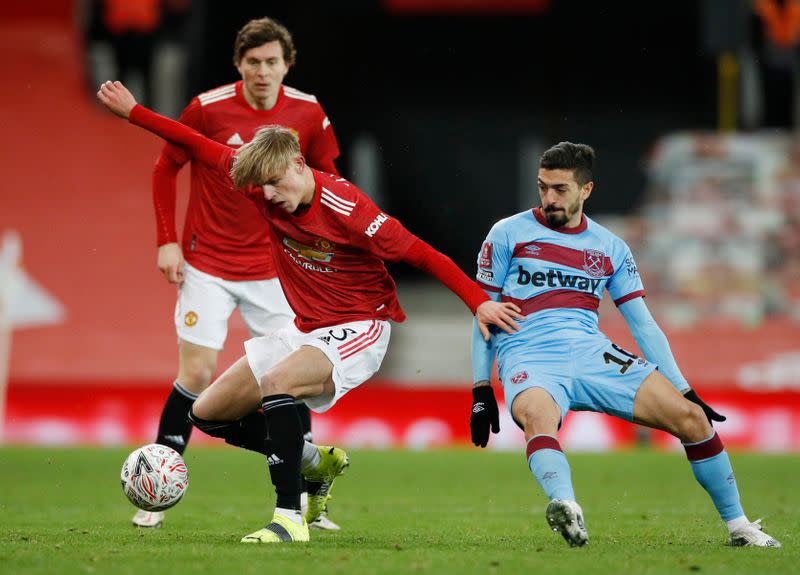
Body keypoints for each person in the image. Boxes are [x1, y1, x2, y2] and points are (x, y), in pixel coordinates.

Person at [97, 79, 524, 543]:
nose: (270, 195)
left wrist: (478, 302)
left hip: (360, 325)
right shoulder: (259, 181)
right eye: (261, 187)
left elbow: (422, 253)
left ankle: (288, 519)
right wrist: (135, 112)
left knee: (278, 385)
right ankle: (314, 462)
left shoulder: (348, 207)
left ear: (299, 163)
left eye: (277, 183)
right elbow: (196, 144)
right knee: (207, 412)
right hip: (306, 329)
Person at [468, 142, 781, 548]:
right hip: (529, 352)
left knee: (693, 421)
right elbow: (482, 314)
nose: (549, 199)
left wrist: (684, 388)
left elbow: (643, 325)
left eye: (560, 189)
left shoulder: (610, 247)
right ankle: (566, 506)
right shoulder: (507, 233)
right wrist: (479, 388)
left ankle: (740, 528)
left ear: (586, 190)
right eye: (543, 187)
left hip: (592, 352)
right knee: (538, 419)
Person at [136, 17, 342, 530]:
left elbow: (330, 179)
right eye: (254, 62)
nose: (263, 71)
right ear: (239, 65)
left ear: (287, 65)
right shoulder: (206, 109)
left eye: (273, 62)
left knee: (290, 380)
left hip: (276, 268)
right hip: (207, 262)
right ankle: (155, 490)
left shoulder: (309, 112)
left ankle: (306, 498)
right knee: (198, 373)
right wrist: (166, 239)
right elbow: (166, 167)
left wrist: (324, 246)